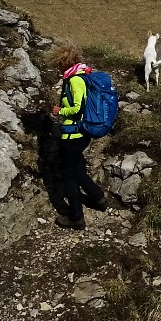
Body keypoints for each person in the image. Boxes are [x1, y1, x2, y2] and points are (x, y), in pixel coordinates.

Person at [49, 46, 107, 230]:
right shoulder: (83, 75)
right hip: (82, 134)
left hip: (73, 135)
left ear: (62, 62)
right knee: (76, 169)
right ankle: (98, 198)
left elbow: (77, 108)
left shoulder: (74, 80)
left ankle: (76, 217)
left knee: (68, 175)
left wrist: (60, 111)